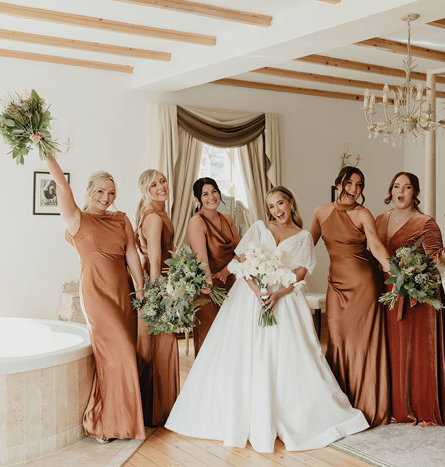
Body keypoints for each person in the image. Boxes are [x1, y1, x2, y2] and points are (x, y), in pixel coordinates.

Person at [165, 186, 369, 453]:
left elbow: (300, 273)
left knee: (287, 357)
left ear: (291, 202)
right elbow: (240, 261)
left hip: (285, 301)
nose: (277, 210)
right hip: (249, 300)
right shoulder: (260, 228)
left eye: (281, 203)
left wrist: (277, 295)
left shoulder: (304, 236)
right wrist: (258, 292)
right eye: (272, 206)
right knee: (245, 354)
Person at [46, 156, 145, 442]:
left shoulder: (121, 218)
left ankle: (120, 419)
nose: (106, 197)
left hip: (123, 293)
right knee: (120, 351)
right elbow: (62, 187)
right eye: (100, 191)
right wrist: (47, 152)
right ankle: (105, 422)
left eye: (111, 193)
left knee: (122, 354)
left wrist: (139, 288)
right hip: (96, 293)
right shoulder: (77, 219)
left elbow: (130, 254)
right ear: (89, 191)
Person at [310, 166, 392, 427]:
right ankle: (338, 403)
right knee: (337, 340)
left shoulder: (363, 213)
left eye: (359, 185)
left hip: (363, 284)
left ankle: (366, 401)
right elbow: (305, 245)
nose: (354, 190)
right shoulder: (321, 212)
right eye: (349, 183)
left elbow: (376, 246)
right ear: (338, 184)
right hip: (336, 285)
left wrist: (397, 272)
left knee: (361, 343)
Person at [375, 172, 445, 426]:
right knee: (393, 351)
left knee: (418, 352)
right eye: (397, 186)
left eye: (407, 187)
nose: (401, 191)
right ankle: (394, 406)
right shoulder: (380, 219)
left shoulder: (425, 222)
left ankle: (423, 407)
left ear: (415, 193)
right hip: (390, 294)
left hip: (419, 297)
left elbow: (435, 257)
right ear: (391, 190)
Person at [134, 169, 180, 427]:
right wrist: (156, 295)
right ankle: (154, 411)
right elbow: (153, 260)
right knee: (158, 347)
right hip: (157, 287)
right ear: (145, 191)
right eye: (154, 184)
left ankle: (159, 410)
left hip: (163, 283)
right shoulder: (153, 217)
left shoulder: (161, 212)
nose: (161, 186)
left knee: (161, 346)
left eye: (163, 181)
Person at [187, 177, 240, 356]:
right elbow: (202, 261)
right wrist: (209, 284)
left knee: (231, 336)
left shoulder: (227, 218)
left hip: (230, 283)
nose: (211, 197)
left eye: (214, 191)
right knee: (210, 338)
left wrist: (227, 271)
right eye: (205, 194)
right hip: (207, 287)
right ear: (197, 199)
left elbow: (240, 252)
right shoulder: (197, 222)